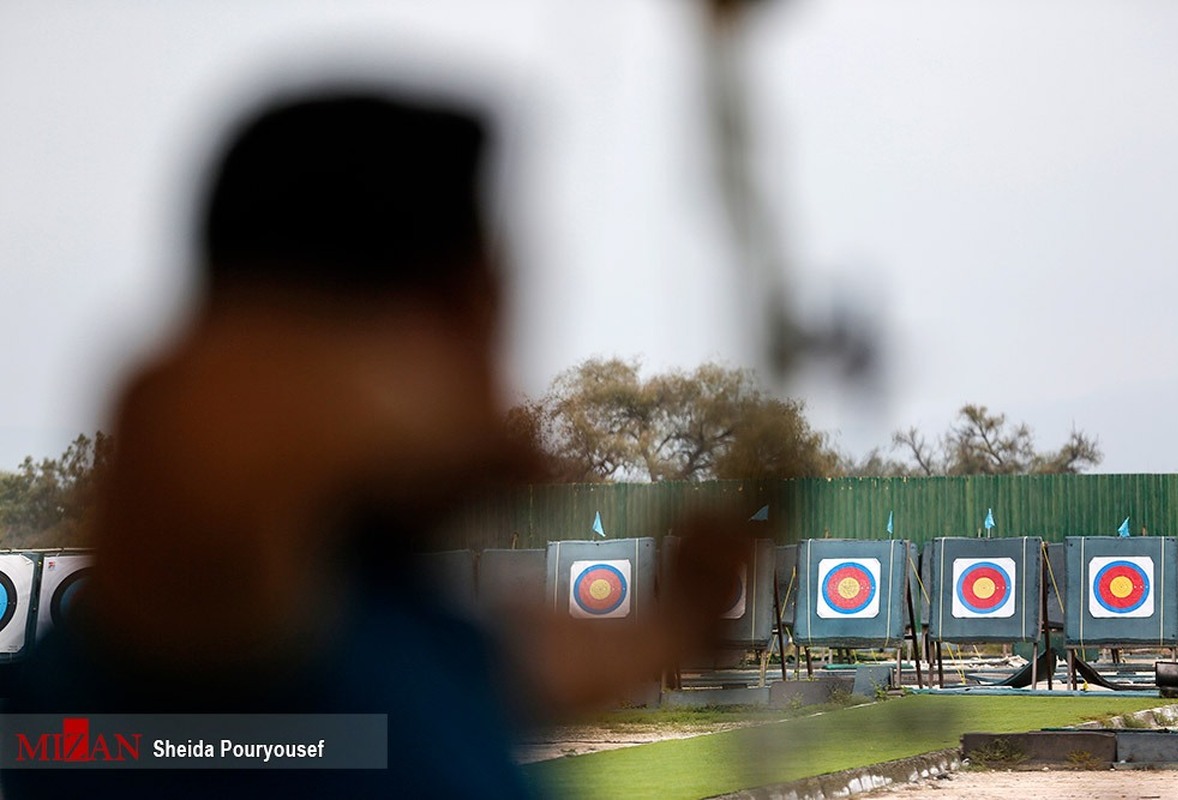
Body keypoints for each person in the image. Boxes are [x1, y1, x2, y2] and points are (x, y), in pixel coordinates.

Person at [4, 85, 746, 798]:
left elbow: (580, 652)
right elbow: (192, 410)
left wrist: (687, 610)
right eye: (480, 317)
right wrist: (461, 426)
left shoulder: (399, 632)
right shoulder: (198, 622)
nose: (497, 373)